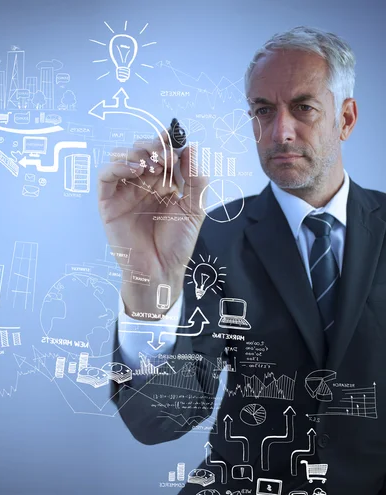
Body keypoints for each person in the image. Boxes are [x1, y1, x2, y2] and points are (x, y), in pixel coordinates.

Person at [98, 26, 386, 494]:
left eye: (304, 108)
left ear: (347, 119)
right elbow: (161, 420)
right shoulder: (210, 235)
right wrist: (147, 283)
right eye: (263, 111)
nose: (280, 132)